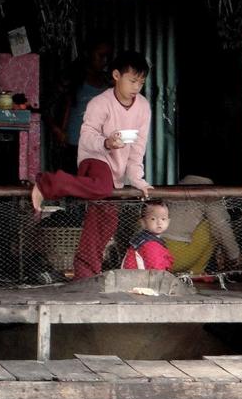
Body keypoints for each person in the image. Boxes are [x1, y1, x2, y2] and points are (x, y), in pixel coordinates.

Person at [32, 50, 152, 279]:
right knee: (102, 187)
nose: (137, 86)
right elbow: (85, 137)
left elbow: (139, 147)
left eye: (141, 81)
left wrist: (137, 179)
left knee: (105, 224)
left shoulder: (143, 107)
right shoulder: (101, 102)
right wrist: (106, 142)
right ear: (117, 75)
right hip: (94, 158)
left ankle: (85, 274)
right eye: (133, 80)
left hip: (116, 171)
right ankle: (47, 182)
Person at [52, 38, 112, 173]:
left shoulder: (108, 82)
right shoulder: (71, 78)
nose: (105, 60)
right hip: (72, 147)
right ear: (87, 54)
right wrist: (57, 130)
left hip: (99, 148)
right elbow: (45, 106)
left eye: (108, 56)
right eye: (101, 55)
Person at [162, 175, 241, 275]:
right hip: (176, 259)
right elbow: (221, 226)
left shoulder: (174, 188)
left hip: (154, 257)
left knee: (200, 221)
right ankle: (196, 272)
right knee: (212, 224)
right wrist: (234, 254)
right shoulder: (208, 190)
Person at [121, 199, 174, 271]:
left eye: (163, 219)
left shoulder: (143, 239)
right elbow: (156, 270)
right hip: (141, 280)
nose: (159, 223)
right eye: (153, 219)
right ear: (143, 222)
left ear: (168, 221)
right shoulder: (150, 244)